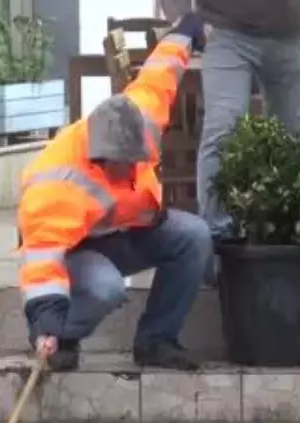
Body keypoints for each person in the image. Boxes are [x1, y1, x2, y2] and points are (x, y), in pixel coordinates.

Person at [17, 13, 212, 373]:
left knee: (194, 235)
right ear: (99, 157)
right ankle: (61, 337)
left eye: (137, 160)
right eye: (122, 165)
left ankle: (156, 340)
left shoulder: (141, 114)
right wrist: (46, 323)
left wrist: (189, 30)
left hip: (126, 230)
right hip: (76, 251)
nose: (131, 170)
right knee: (106, 287)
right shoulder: (56, 187)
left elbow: (161, 69)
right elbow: (43, 265)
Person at [196, 0, 300, 238]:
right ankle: (216, 235)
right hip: (226, 30)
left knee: (289, 138)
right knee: (223, 131)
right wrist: (187, 17)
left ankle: (281, 228)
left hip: (288, 33)